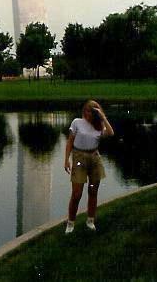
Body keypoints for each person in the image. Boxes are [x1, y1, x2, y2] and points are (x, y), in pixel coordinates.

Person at [64, 99, 114, 233]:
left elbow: (110, 133)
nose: (88, 114)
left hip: (94, 158)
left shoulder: (98, 125)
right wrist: (66, 160)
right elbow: (70, 141)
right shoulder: (77, 123)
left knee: (93, 190)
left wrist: (102, 117)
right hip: (79, 158)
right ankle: (70, 222)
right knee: (77, 193)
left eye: (91, 111)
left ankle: (90, 220)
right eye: (86, 110)